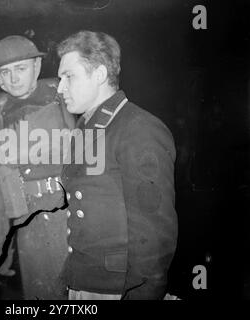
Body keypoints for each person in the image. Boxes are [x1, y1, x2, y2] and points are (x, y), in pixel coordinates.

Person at [56, 30, 177, 300]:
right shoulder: (86, 128)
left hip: (116, 289)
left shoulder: (138, 129)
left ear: (99, 75)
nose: (60, 88)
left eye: (69, 76)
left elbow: (153, 239)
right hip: (83, 280)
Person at [0, 35, 75, 299]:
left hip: (69, 215)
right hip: (28, 224)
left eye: (20, 69)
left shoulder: (66, 102)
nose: (12, 79)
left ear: (37, 66)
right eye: (5, 72)